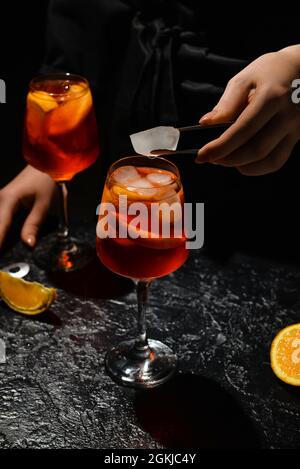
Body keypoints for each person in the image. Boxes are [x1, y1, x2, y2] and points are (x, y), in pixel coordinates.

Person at [0, 1, 300, 250]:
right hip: (139, 94)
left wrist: (296, 63)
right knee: (137, 254)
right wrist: (57, 141)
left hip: (270, 127)